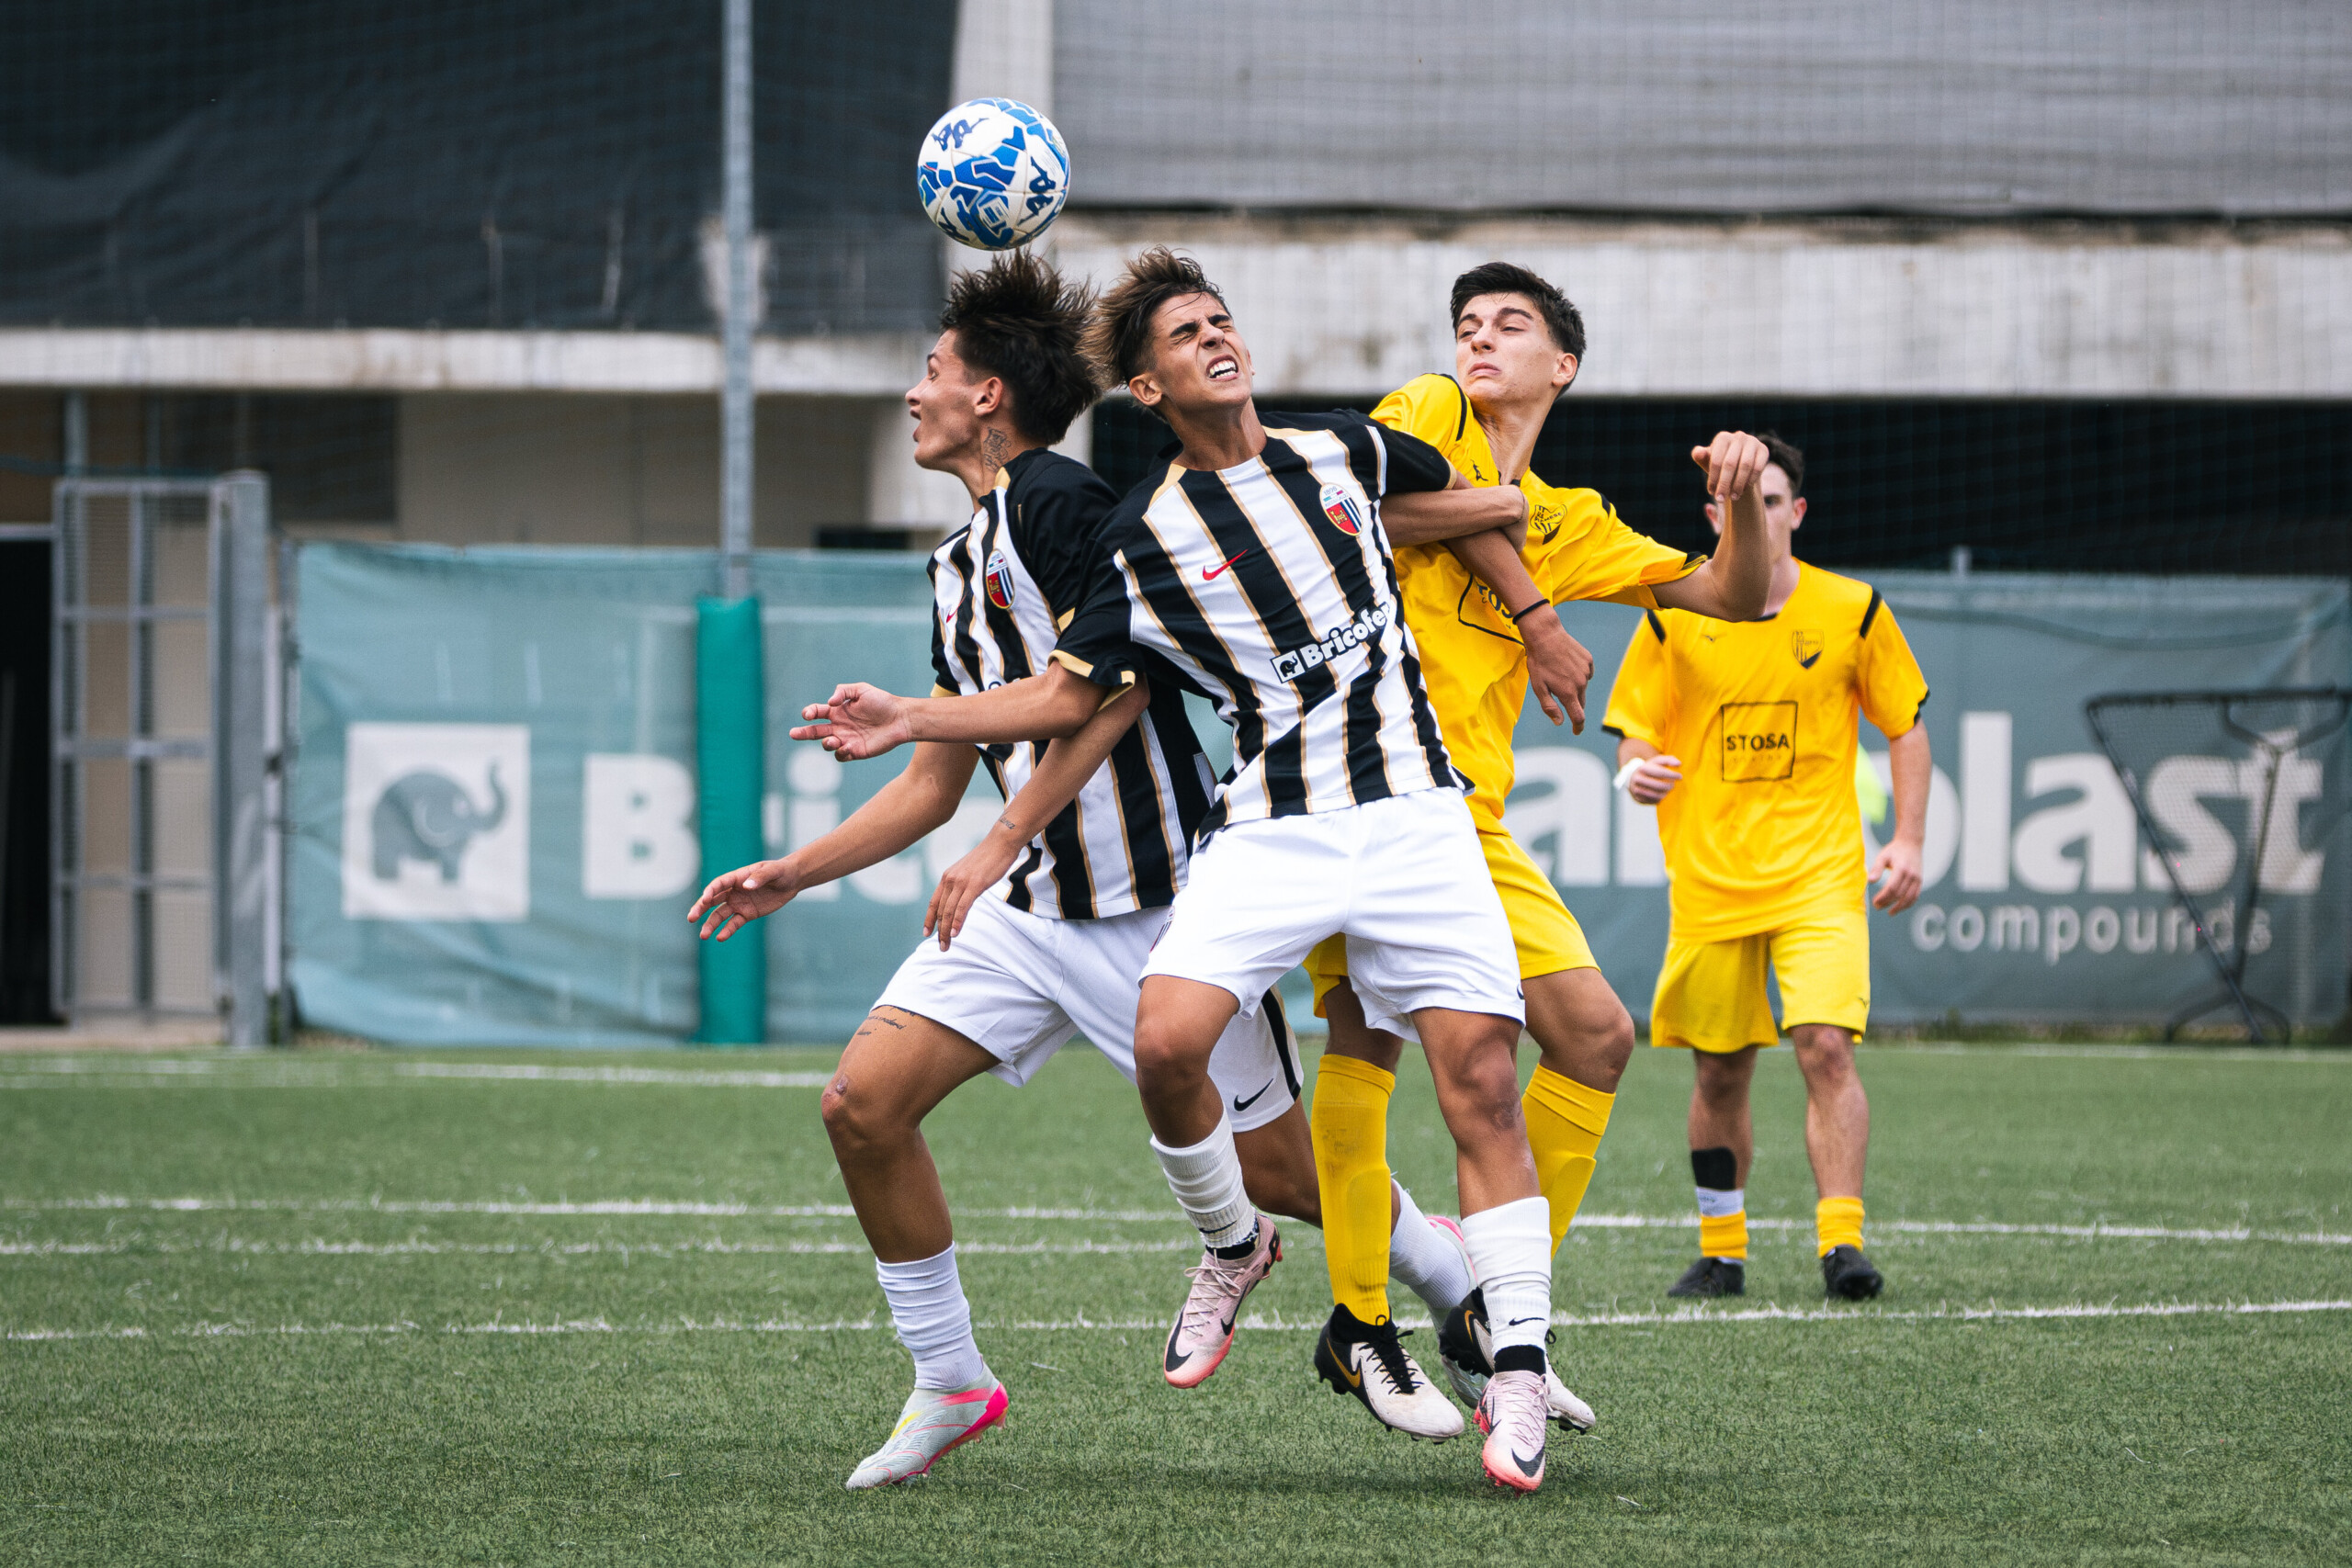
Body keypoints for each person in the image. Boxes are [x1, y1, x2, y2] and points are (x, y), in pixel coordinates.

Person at [686, 254, 1475, 1492]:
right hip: (1025, 912)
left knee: (1281, 1175)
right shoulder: (955, 567)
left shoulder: (1059, 500)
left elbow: (1106, 686)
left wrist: (959, 782)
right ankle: (950, 1378)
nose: (914, 393)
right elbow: (942, 773)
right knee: (861, 1105)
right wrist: (799, 867)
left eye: (933, 372)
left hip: (1153, 902)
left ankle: (1463, 1290)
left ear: (990, 396)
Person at [1304, 262, 1776, 1432]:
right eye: (1467, 322)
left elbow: (1732, 597)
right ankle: (1359, 1318)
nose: (1478, 338)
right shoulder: (1424, 410)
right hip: (1352, 792)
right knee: (1369, 1036)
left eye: (1509, 325)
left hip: (1469, 822)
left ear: (1562, 366)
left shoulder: (1574, 516)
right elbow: (1383, 509)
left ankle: (1488, 1314)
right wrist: (1538, 610)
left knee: (1598, 1036)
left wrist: (1747, 499)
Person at [1600, 433, 1931, 1302]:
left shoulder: (1853, 608)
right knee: (1719, 1066)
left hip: (1819, 873)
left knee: (1824, 1045)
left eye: (1773, 499)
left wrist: (1909, 840)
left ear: (1797, 511)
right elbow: (1635, 727)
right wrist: (1633, 769)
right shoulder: (1674, 610)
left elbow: (1906, 726)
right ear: (1714, 514)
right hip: (1710, 876)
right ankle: (1722, 1248)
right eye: (1740, 500)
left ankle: (1842, 1244)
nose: (1759, 512)